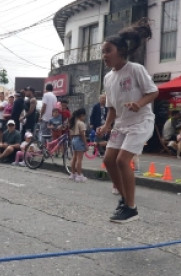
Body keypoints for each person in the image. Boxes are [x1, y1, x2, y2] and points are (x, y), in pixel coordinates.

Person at [96, 19, 158, 224]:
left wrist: (139, 104)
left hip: (141, 121)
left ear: (121, 51)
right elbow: (112, 107)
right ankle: (124, 200)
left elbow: (153, 92)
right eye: (103, 51)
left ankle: (131, 208)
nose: (104, 55)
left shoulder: (135, 69)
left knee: (123, 160)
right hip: (121, 123)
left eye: (108, 50)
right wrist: (106, 125)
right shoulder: (108, 78)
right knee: (108, 160)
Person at [69, 107, 89, 182]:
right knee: (79, 159)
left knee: (74, 157)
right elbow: (82, 134)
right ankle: (79, 175)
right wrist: (86, 144)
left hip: (74, 140)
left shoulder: (74, 123)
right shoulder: (81, 123)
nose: (85, 117)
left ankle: (73, 173)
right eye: (84, 116)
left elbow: (70, 133)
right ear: (82, 115)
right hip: (79, 140)